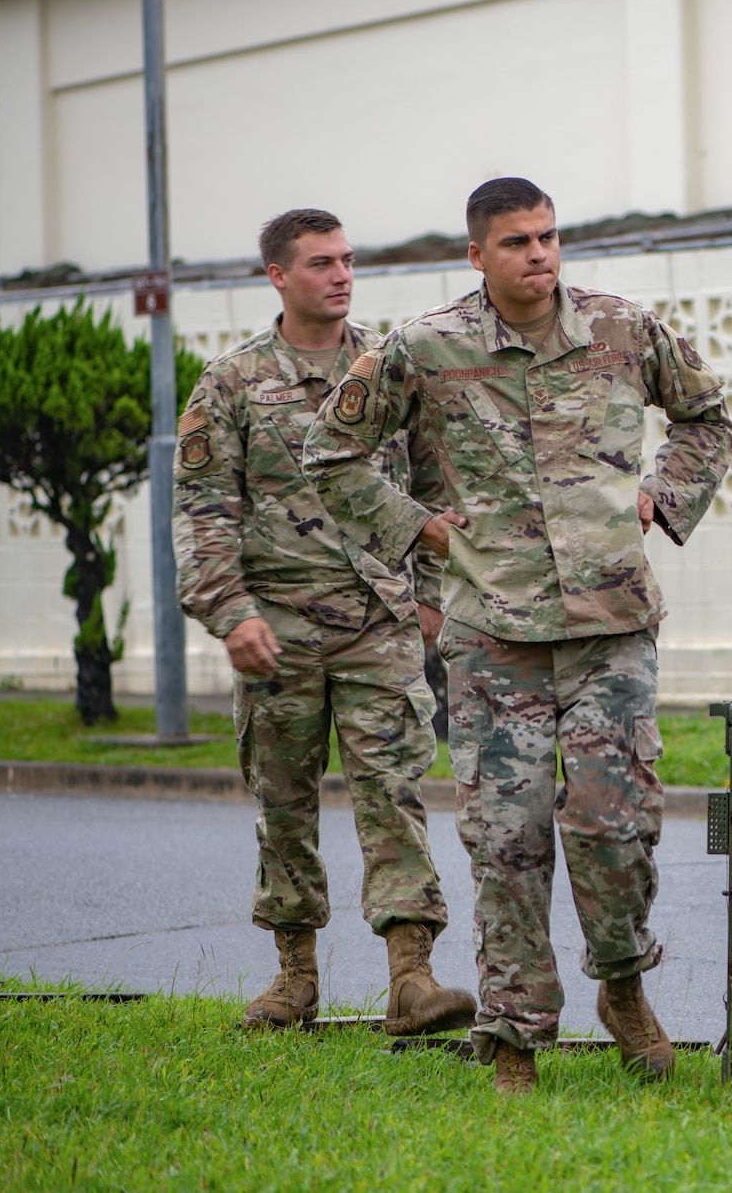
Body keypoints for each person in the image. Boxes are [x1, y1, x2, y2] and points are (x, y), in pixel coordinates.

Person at [304, 178, 732, 1095]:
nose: (537, 255)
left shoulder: (624, 329)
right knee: (507, 838)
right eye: (515, 242)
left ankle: (622, 988)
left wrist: (666, 493)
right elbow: (329, 452)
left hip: (612, 626)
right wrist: (415, 526)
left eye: (547, 238)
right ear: (477, 254)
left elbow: (707, 414)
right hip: (493, 631)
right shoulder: (425, 346)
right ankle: (513, 1032)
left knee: (614, 825)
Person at [174, 208, 475, 1035]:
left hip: (379, 625)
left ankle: (412, 977)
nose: (340, 275)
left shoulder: (386, 367)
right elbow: (203, 509)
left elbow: (433, 486)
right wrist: (230, 611)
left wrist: (426, 596)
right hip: (275, 629)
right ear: (278, 274)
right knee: (284, 803)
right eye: (320, 263)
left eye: (347, 260)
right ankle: (295, 978)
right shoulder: (231, 383)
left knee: (395, 793)